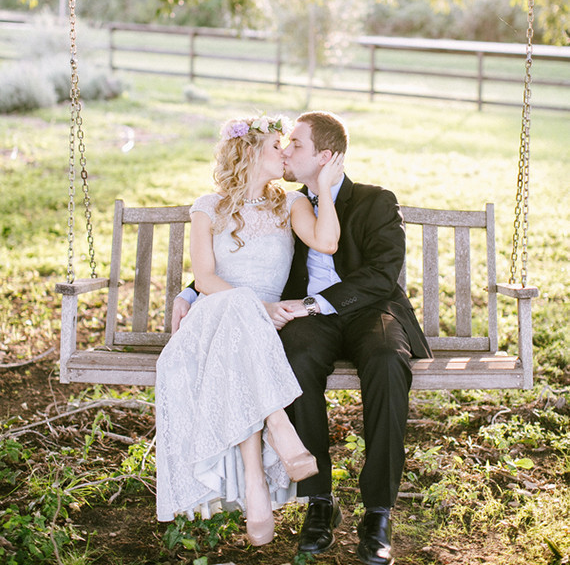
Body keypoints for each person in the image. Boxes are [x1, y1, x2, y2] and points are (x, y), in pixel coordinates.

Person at [155, 114, 344, 548]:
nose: (286, 152)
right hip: (219, 314)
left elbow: (327, 242)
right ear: (250, 153)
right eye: (277, 146)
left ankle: (256, 484)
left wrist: (326, 193)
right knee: (236, 309)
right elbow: (204, 280)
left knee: (239, 346)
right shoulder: (208, 206)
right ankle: (277, 423)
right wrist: (258, 308)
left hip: (254, 330)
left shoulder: (291, 204)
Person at [278, 111, 432, 565]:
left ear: (326, 157)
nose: (286, 151)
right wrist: (193, 289)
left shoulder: (376, 200)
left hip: (370, 311)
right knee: (297, 354)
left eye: (296, 145)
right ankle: (319, 502)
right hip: (312, 320)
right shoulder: (287, 204)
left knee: (388, 360)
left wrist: (314, 304)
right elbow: (240, 249)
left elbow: (382, 275)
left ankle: (378, 511)